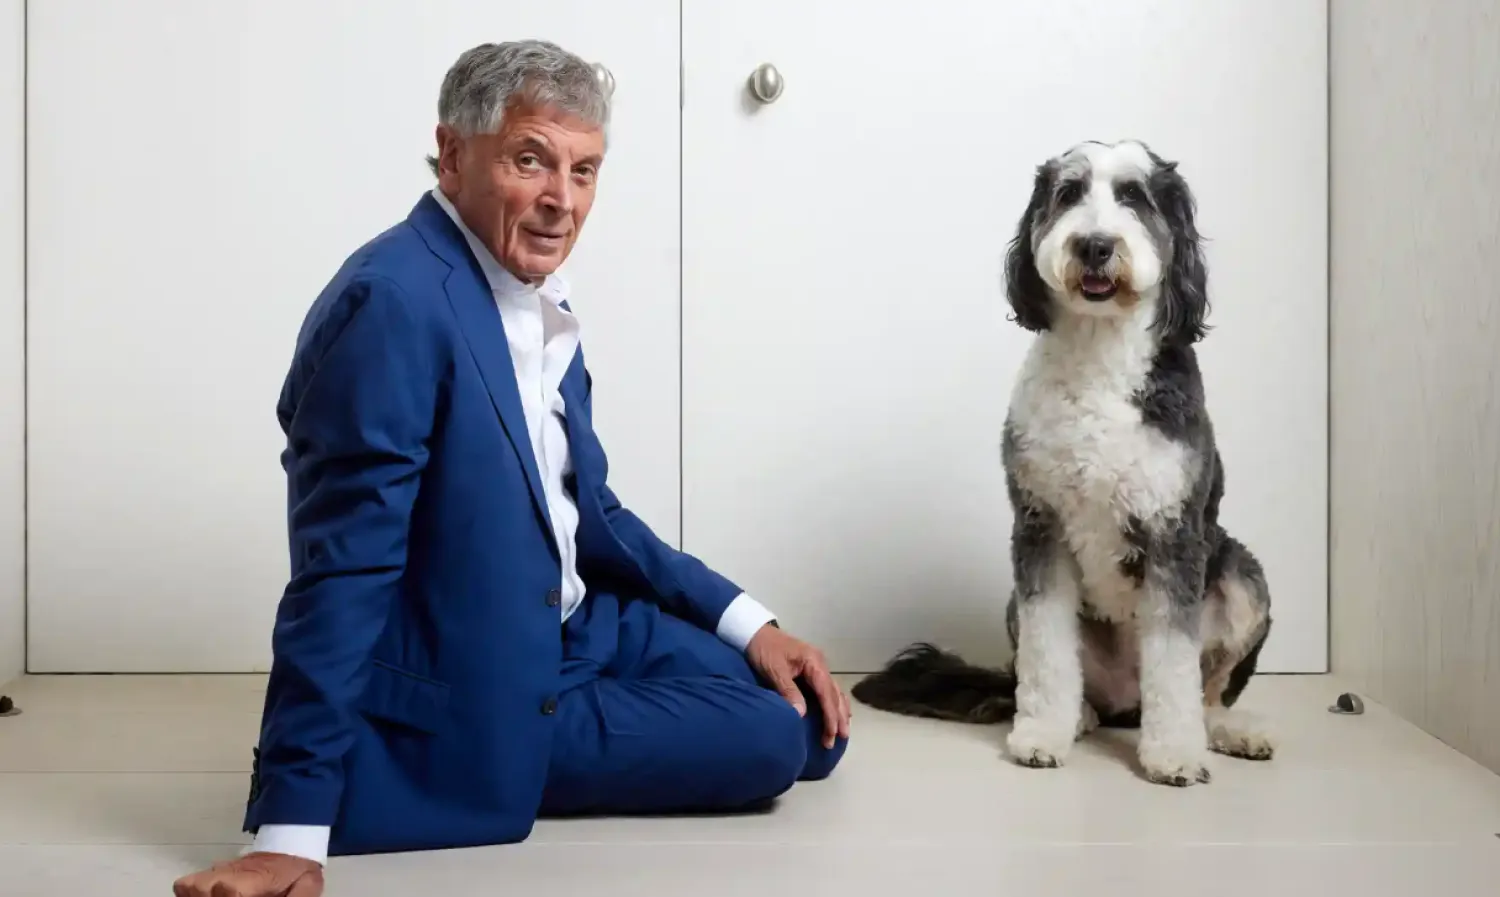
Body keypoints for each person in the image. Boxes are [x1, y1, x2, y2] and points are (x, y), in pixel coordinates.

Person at [173, 39, 850, 897]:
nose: (561, 202)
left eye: (585, 170)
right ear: (454, 155)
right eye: (531, 160)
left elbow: (588, 509)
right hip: (479, 679)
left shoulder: (533, 297)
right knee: (775, 738)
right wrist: (292, 829)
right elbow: (340, 571)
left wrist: (751, 623)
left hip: (577, 624)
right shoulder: (393, 305)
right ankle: (467, 766)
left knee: (820, 727)